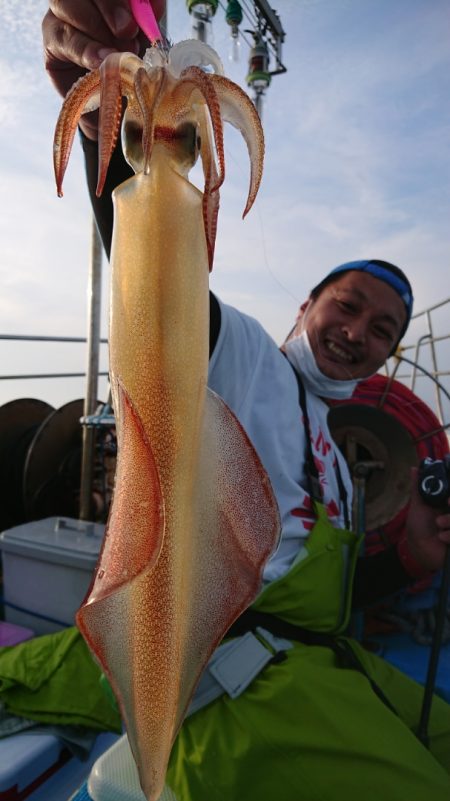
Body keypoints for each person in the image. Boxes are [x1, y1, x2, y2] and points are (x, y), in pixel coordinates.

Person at [42, 4, 450, 799]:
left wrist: (414, 558)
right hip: (239, 686)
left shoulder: (333, 442)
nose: (357, 332)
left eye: (383, 329)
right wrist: (129, 136)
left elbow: (308, 589)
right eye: (347, 305)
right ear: (306, 306)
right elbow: (165, 297)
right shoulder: (248, 355)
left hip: (322, 660)